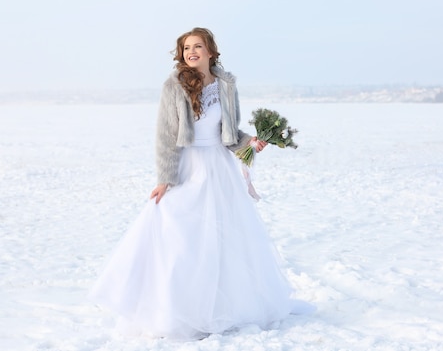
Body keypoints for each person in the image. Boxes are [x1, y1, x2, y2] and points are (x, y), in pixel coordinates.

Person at [89, 27, 313, 340]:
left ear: (210, 51)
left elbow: (229, 133)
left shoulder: (225, 84)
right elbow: (166, 136)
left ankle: (225, 309)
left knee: (224, 240)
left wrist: (251, 142)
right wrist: (165, 179)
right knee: (180, 236)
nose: (191, 52)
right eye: (185, 48)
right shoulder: (174, 85)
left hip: (219, 169)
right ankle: (175, 311)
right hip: (187, 167)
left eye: (198, 46)